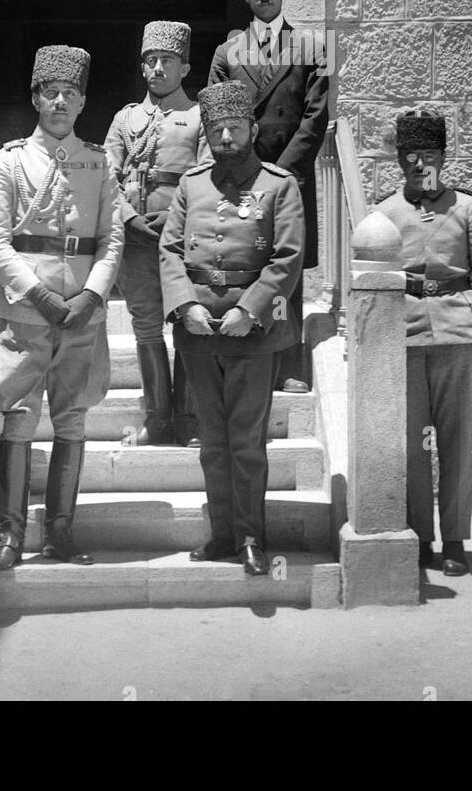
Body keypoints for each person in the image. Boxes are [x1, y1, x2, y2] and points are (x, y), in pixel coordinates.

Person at [0, 45, 123, 570]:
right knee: (18, 419)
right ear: (35, 97)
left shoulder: (99, 162)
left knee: (73, 419)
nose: (59, 101)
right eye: (49, 92)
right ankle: (10, 534)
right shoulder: (9, 159)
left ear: (83, 101)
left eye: (69, 93)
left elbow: (111, 239)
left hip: (82, 311)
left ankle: (60, 531)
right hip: (24, 311)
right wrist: (38, 294)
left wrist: (91, 295)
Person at [159, 80, 305, 575]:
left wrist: (251, 309)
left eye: (234, 127)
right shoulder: (191, 184)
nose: (225, 136)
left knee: (246, 441)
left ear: (252, 129)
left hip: (253, 334)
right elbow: (171, 251)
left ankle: (250, 538)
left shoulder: (279, 185)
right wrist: (184, 307)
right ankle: (222, 534)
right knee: (213, 441)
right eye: (217, 128)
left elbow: (287, 257)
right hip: (199, 331)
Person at [377, 107, 472, 576]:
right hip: (405, 338)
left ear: (443, 157)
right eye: (410, 155)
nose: (419, 164)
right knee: (414, 445)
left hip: (457, 334)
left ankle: (454, 539)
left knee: (455, 442)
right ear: (399, 160)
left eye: (429, 155)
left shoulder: (468, 209)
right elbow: (370, 280)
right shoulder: (384, 214)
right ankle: (420, 538)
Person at [208, 0, 328, 392]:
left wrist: (285, 172)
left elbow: (317, 116)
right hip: (242, 175)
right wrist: (248, 170)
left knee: (287, 265)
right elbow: (219, 115)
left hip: (291, 177)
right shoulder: (228, 53)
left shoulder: (313, 48)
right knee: (247, 261)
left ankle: (289, 367)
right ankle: (246, 357)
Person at [104, 21, 208, 446]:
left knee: (187, 321)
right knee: (145, 326)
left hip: (182, 239)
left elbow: (205, 174)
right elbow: (106, 173)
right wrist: (128, 217)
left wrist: (172, 220)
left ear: (185, 68)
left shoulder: (200, 116)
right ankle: (157, 418)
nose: (158, 68)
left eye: (167, 61)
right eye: (150, 61)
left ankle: (187, 420)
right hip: (135, 236)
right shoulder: (125, 118)